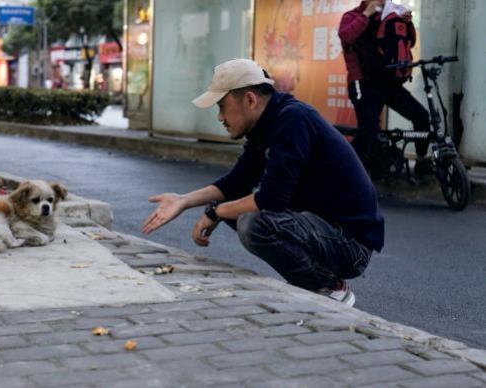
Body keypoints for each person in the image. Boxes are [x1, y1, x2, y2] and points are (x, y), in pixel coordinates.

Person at [142, 59, 384, 307]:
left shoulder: (293, 119)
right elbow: (236, 182)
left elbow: (271, 199)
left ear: (250, 99)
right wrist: (183, 201)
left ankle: (329, 287)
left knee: (253, 222)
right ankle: (313, 283)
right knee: (231, 205)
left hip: (350, 244)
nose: (220, 117)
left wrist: (215, 211)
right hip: (321, 229)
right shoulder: (267, 123)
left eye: (223, 107)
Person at [339, 0, 432, 175]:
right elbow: (346, 36)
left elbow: (409, 42)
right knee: (369, 128)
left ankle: (422, 161)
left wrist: (407, 23)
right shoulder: (351, 16)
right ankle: (344, 171)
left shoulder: (388, 17)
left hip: (388, 83)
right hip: (363, 82)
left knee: (421, 116)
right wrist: (366, 14)